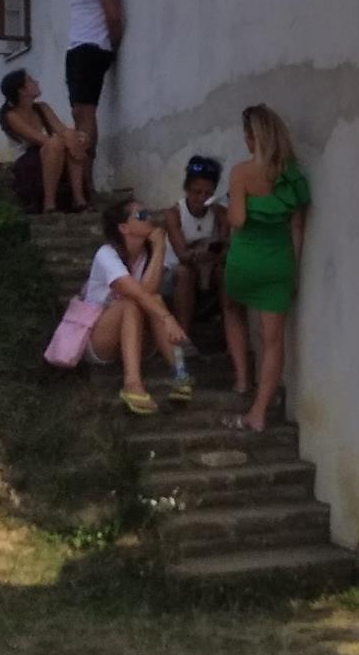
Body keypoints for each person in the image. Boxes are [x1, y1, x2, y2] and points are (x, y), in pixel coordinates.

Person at [222, 104, 309, 432]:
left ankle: (243, 378)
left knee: (231, 308)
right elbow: (298, 227)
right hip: (279, 263)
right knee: (273, 340)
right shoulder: (293, 175)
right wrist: (295, 271)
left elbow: (238, 219)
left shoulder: (241, 173)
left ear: (251, 136)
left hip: (245, 259)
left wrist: (231, 204)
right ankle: (258, 412)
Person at [83, 198, 193, 413]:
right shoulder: (106, 255)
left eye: (149, 213)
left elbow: (149, 292)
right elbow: (136, 293)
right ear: (124, 228)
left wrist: (160, 246)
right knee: (130, 302)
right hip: (101, 338)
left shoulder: (148, 254)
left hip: (137, 337)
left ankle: (181, 373)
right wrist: (168, 318)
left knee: (155, 300)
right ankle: (132, 384)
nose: (150, 219)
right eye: (141, 216)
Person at [39, 0, 121, 190]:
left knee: (85, 112)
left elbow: (113, 14)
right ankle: (82, 173)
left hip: (92, 48)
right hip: (76, 50)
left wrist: (111, 46)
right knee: (77, 111)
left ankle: (86, 176)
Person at [0, 69, 89, 214]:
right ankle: (49, 203)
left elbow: (61, 130)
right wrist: (68, 140)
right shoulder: (11, 115)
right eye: (31, 81)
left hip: (54, 151)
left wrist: (76, 137)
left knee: (74, 137)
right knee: (56, 143)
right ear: (22, 91)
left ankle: (79, 199)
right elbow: (40, 140)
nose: (36, 82)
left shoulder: (42, 107)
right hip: (30, 160)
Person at [162, 153, 230, 341]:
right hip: (174, 276)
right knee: (185, 272)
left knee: (225, 272)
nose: (201, 198)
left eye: (208, 193)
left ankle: (229, 331)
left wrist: (212, 251)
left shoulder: (219, 213)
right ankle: (183, 336)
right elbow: (182, 254)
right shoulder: (174, 213)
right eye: (196, 192)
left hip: (207, 272)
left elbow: (225, 247)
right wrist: (201, 250)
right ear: (187, 189)